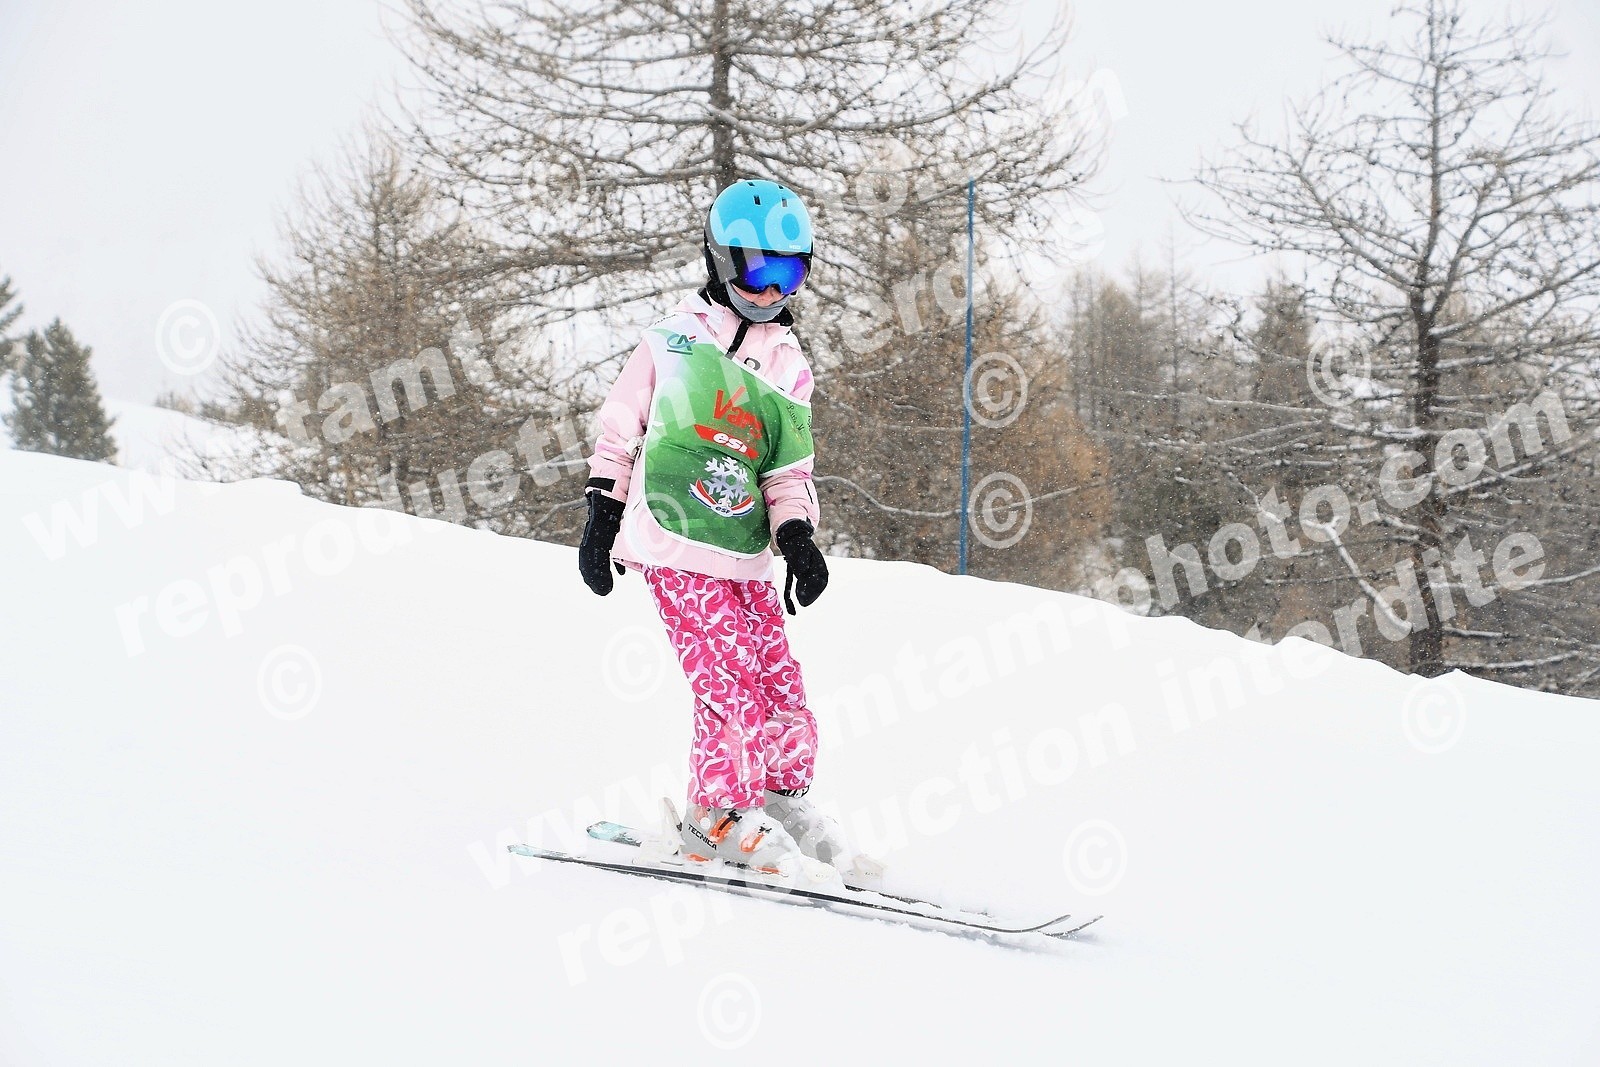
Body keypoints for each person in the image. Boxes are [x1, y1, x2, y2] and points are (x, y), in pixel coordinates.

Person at [579, 179, 848, 877]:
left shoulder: (788, 368)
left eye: (790, 275)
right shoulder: (673, 342)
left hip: (743, 551)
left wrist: (797, 539)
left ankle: (776, 798)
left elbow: (786, 471)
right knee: (727, 678)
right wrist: (603, 514)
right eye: (759, 272)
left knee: (777, 680)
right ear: (723, 262)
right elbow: (619, 430)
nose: (772, 292)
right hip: (673, 540)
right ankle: (719, 813)